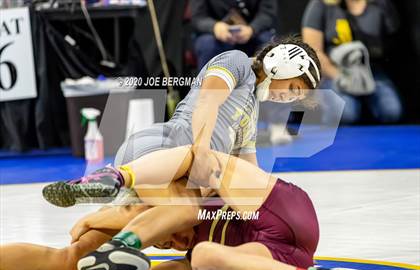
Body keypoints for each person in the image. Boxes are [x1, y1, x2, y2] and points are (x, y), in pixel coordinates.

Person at [0, 146, 359, 270]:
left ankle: (116, 176)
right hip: (275, 259)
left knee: (193, 174)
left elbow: (183, 184)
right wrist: (90, 264)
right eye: (167, 245)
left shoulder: (189, 200)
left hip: (273, 206)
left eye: (166, 235)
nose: (174, 242)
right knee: (204, 258)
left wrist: (95, 220)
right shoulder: (189, 246)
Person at [42, 36, 322, 208]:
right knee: (185, 211)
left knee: (175, 215)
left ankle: (94, 232)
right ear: (284, 64)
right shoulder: (236, 61)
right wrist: (200, 152)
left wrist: (274, 199)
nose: (287, 99)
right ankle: (110, 180)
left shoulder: (251, 110)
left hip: (175, 169)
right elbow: (207, 102)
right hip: (165, 150)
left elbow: (249, 171)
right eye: (294, 89)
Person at [302, 0, 403, 124]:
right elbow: (313, 51)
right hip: (335, 71)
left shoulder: (381, 5)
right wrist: (340, 76)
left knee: (391, 112)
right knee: (345, 114)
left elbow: (394, 46)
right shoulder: (321, 5)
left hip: (370, 71)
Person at [191, 0, 277, 70]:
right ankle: (210, 88)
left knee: (267, 44)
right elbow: (198, 17)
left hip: (255, 31)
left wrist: (252, 29)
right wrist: (215, 27)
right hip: (215, 34)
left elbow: (267, 13)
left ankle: (267, 89)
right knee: (207, 45)